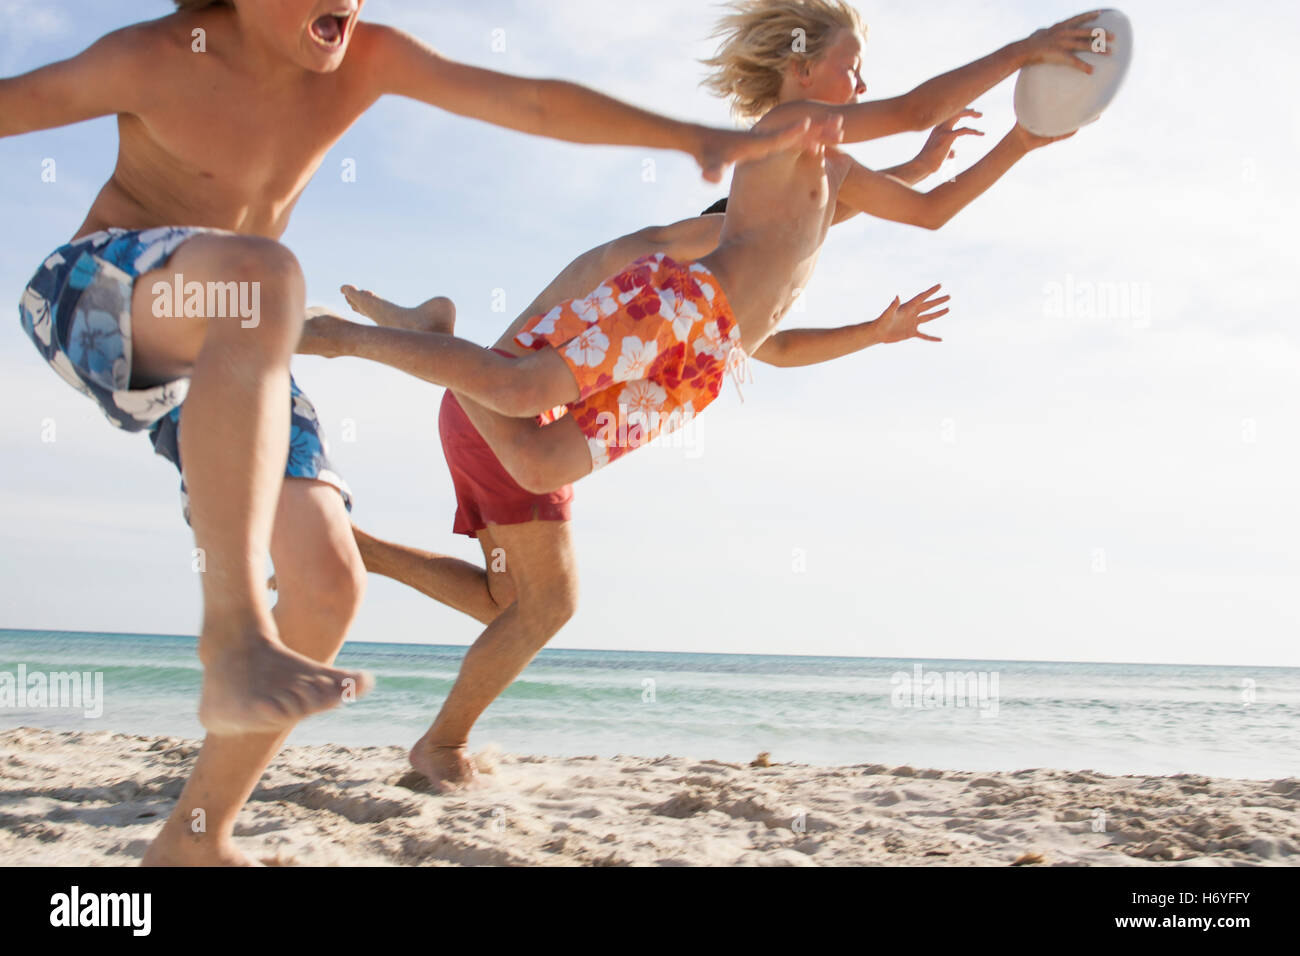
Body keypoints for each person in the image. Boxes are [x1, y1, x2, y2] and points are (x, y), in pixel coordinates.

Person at [4, 0, 832, 866]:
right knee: (266, 279)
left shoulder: (369, 58)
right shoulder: (155, 57)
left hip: (230, 353)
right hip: (97, 297)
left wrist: (696, 139)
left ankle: (194, 842)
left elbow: (536, 103)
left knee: (330, 584)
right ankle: (234, 631)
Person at [299, 2, 1105, 791]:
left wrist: (1022, 141)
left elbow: (930, 212)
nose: (860, 84)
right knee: (514, 387)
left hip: (704, 368)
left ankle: (435, 346)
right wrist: (1024, 48)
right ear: (798, 69)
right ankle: (348, 337)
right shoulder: (789, 129)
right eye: (850, 65)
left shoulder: (835, 173)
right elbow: (918, 109)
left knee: (541, 467)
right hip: (682, 310)